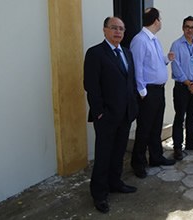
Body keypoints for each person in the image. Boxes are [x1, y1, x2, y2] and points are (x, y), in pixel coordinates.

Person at [84, 17, 139, 213]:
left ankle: (115, 183)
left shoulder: (126, 53)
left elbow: (130, 81)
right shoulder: (95, 53)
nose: (118, 32)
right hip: (106, 116)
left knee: (119, 153)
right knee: (103, 155)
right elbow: (91, 86)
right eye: (114, 28)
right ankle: (99, 194)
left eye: (121, 29)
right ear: (105, 30)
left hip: (125, 114)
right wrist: (99, 113)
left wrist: (133, 106)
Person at [129, 7, 176, 179]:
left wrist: (166, 59)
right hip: (148, 92)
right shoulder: (140, 40)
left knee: (156, 126)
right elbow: (137, 67)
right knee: (144, 128)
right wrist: (142, 91)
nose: (161, 21)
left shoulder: (153, 39)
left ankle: (156, 157)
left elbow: (154, 63)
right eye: (160, 18)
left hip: (158, 91)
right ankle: (138, 163)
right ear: (156, 20)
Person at [170, 16, 193, 160]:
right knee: (180, 117)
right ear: (183, 28)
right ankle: (177, 147)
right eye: (187, 27)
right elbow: (176, 66)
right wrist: (188, 83)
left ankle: (191, 143)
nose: (189, 30)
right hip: (181, 87)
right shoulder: (176, 45)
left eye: (192, 27)